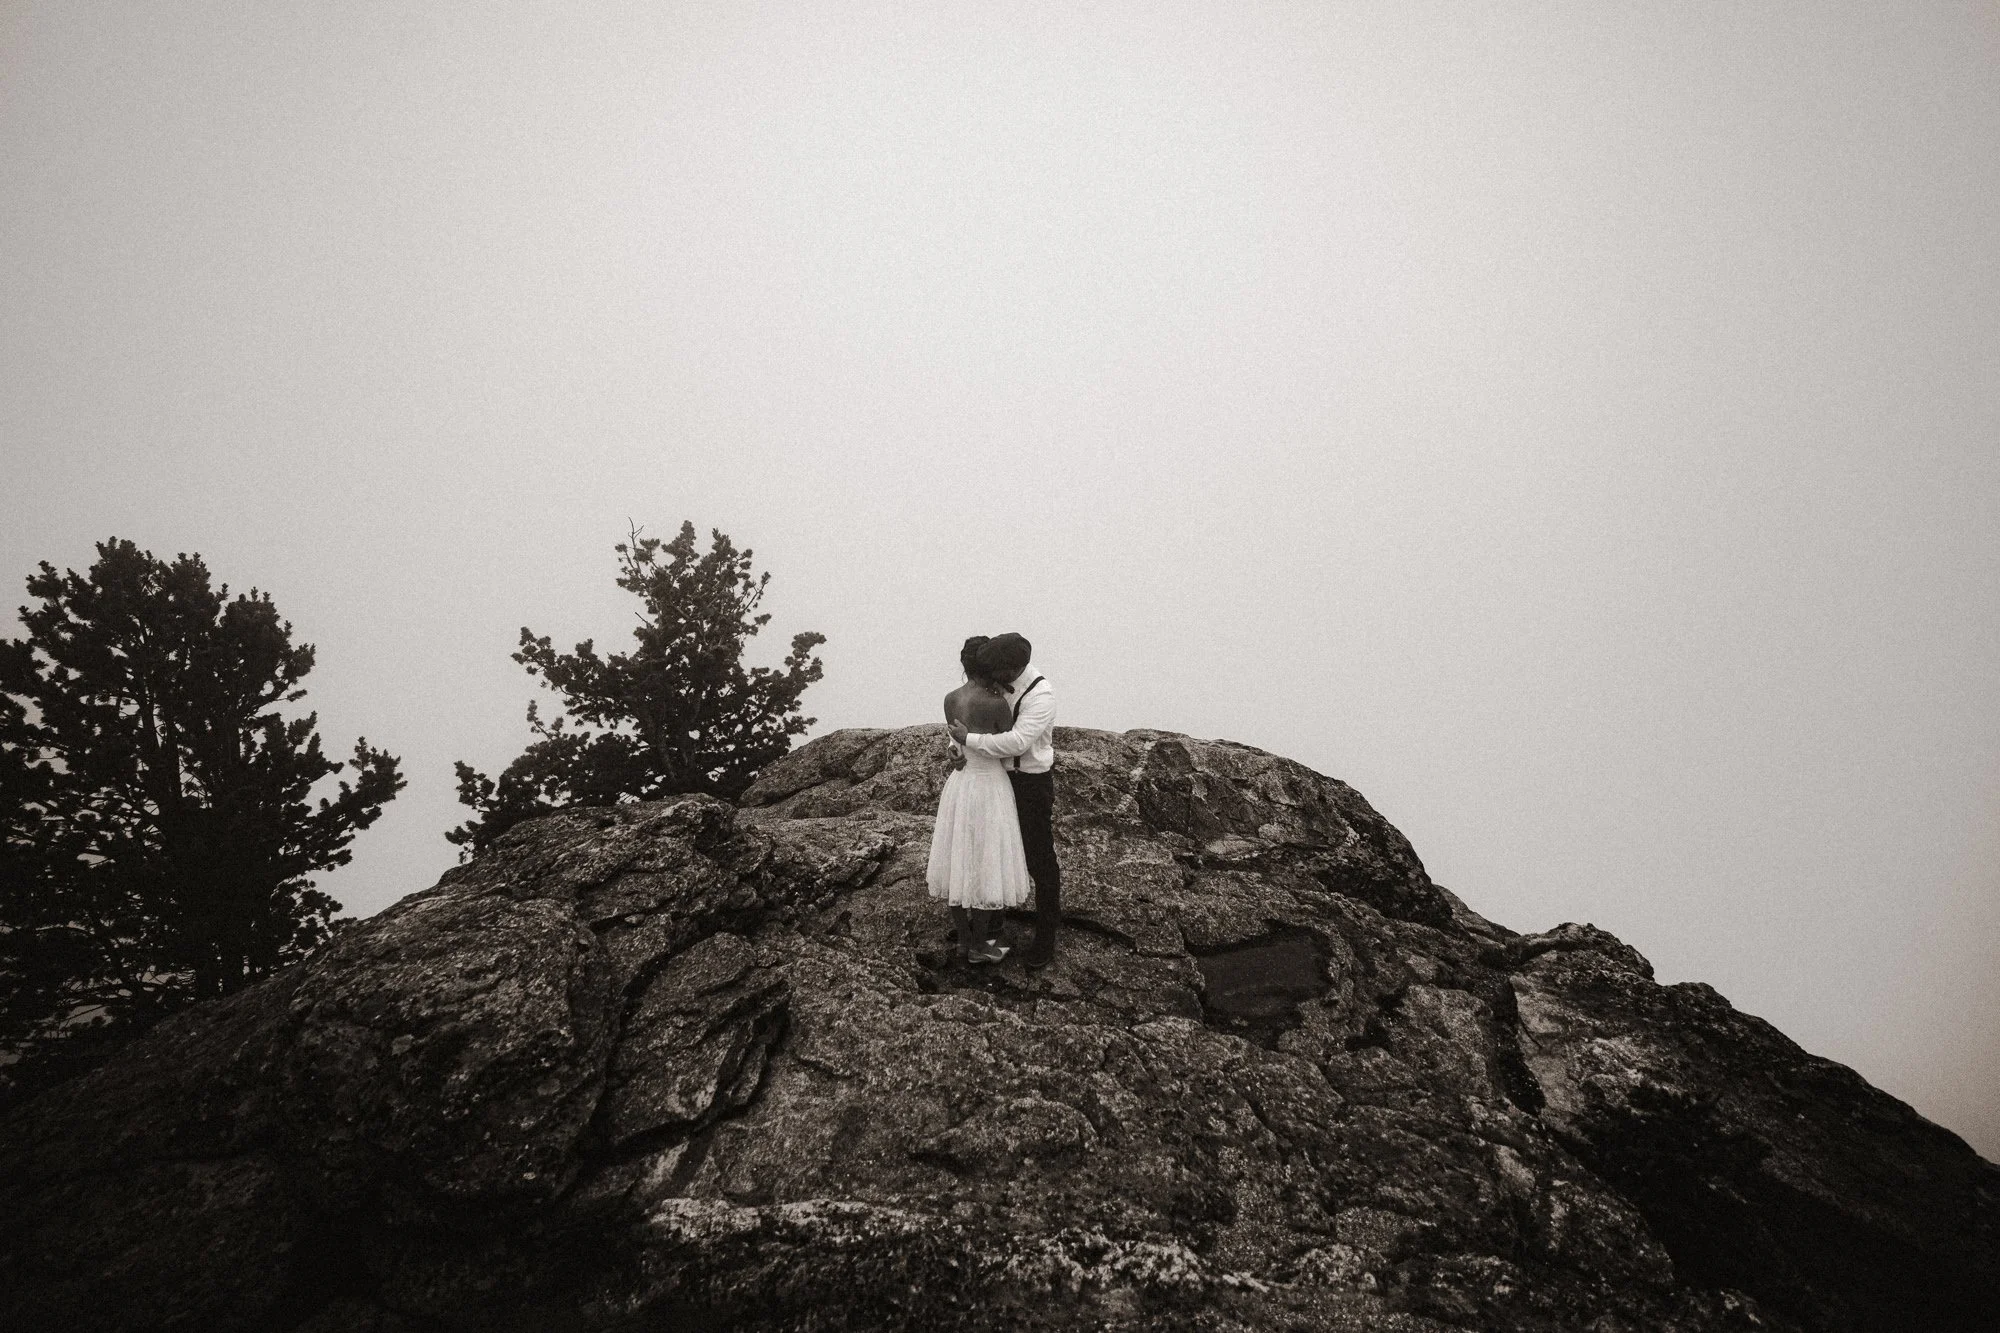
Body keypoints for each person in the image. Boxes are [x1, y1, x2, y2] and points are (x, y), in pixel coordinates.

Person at [948, 632, 1060, 968]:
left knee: (1039, 859)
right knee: (991, 852)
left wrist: (970, 739)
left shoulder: (1041, 696)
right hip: (996, 779)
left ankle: (1046, 936)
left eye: (996, 674)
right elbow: (959, 726)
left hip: (1030, 782)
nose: (989, 680)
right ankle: (991, 929)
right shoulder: (992, 687)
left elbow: (1017, 742)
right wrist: (955, 749)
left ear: (1012, 670)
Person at [927, 636, 1033, 963]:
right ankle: (981, 945)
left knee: (957, 859)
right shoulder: (996, 704)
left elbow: (956, 743)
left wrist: (955, 752)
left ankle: (962, 940)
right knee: (986, 861)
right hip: (989, 785)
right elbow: (1008, 744)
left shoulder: (950, 699)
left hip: (960, 784)